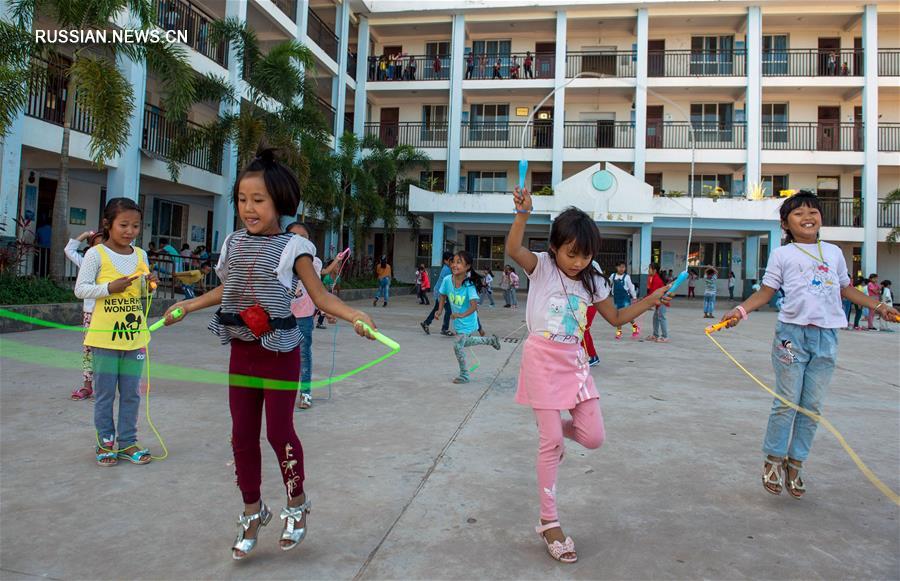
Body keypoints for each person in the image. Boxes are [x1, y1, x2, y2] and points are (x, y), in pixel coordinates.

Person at [162, 148, 378, 560]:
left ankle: (296, 503)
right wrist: (186, 306)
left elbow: (319, 296)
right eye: (242, 199)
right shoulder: (234, 243)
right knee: (241, 436)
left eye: (258, 200)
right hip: (241, 352)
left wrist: (353, 315)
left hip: (279, 353)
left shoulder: (293, 247)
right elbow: (229, 290)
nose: (248, 208)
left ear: (280, 201)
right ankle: (251, 509)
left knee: (278, 433)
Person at [506, 187, 670, 564]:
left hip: (575, 363)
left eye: (586, 254)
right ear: (555, 248)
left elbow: (614, 318)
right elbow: (514, 250)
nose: (578, 262)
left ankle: (550, 429)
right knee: (552, 445)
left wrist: (649, 301)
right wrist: (522, 215)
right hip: (541, 360)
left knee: (593, 437)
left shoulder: (594, 280)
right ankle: (550, 523)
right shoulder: (543, 267)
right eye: (571, 253)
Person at [720, 191, 898, 500]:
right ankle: (774, 460)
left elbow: (845, 289)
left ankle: (796, 464)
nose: (808, 217)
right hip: (790, 338)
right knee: (787, 400)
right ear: (786, 223)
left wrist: (879, 307)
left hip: (826, 338)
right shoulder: (782, 255)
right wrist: (740, 311)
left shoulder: (833, 252)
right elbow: (765, 292)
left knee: (812, 406)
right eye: (799, 212)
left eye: (813, 211)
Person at [74, 198, 157, 467]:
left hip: (134, 337)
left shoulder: (141, 255)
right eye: (124, 225)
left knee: (132, 393)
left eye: (135, 226)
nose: (130, 231)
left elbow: (142, 293)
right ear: (107, 224)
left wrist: (150, 286)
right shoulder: (95, 254)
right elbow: (81, 289)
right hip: (104, 337)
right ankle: (105, 442)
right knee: (106, 393)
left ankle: (129, 441)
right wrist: (110, 288)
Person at [435, 250, 501, 383]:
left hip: (468, 320)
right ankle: (491, 341)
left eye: (459, 262)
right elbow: (442, 294)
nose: (454, 264)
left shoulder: (468, 285)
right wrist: (440, 310)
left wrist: (461, 314)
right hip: (458, 321)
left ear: (467, 267)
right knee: (466, 342)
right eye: (453, 261)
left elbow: (474, 306)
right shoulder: (448, 280)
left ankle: (464, 375)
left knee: (458, 346)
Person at [285, 222, 322, 410]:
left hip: (303, 317)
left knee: (303, 356)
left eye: (303, 238)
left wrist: (326, 311)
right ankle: (278, 393)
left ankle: (305, 393)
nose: (298, 241)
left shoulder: (314, 263)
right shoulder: (277, 260)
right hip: (279, 316)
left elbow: (319, 292)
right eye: (293, 237)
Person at [65, 230, 104, 400]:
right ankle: (87, 387)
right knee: (89, 350)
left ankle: (120, 384)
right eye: (97, 245)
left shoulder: (115, 262)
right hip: (91, 313)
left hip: (112, 312)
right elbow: (69, 250)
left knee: (113, 350)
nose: (101, 248)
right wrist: (85, 234)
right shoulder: (86, 262)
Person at [421, 251, 454, 336]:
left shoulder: (447, 268)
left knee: (437, 308)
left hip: (441, 292)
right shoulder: (447, 270)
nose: (452, 262)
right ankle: (444, 329)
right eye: (450, 260)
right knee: (448, 310)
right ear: (445, 261)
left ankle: (426, 323)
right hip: (441, 293)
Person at [609, 260, 639, 340]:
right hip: (616, 299)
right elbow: (608, 285)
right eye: (620, 267)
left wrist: (634, 297)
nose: (622, 269)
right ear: (616, 267)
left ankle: (635, 327)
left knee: (627, 316)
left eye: (623, 267)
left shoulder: (627, 277)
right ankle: (619, 332)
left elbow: (631, 287)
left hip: (625, 299)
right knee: (618, 316)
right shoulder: (613, 276)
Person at [646, 263, 668, 342]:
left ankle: (665, 336)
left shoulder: (656, 279)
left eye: (649, 268)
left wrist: (645, 301)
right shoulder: (653, 278)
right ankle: (655, 335)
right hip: (659, 302)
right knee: (655, 317)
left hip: (661, 302)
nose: (648, 270)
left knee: (661, 318)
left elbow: (653, 293)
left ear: (654, 270)